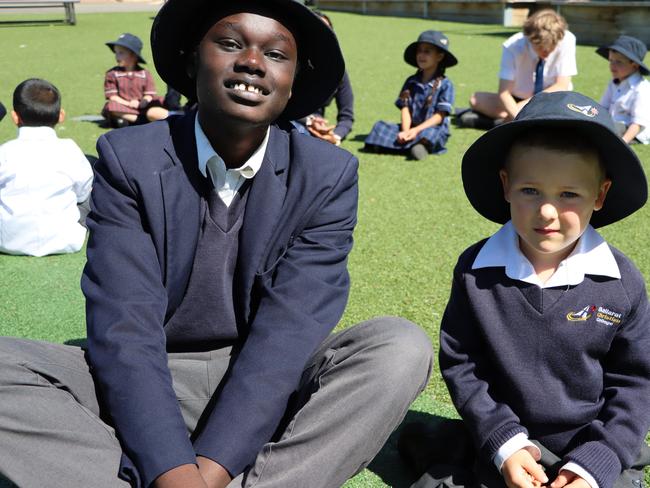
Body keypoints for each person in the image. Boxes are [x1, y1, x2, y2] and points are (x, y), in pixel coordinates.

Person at [0, 2, 433, 488]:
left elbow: (287, 334)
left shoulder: (328, 175)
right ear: (191, 62)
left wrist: (211, 466)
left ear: (292, 82)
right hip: (153, 370)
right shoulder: (129, 161)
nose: (251, 62)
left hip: (267, 381)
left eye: (275, 54)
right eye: (229, 44)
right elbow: (126, 326)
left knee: (399, 347)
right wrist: (172, 469)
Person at [400, 91, 650, 488]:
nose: (547, 212)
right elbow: (463, 364)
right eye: (530, 190)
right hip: (502, 439)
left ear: (600, 195)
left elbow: (636, 384)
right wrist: (505, 445)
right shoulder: (475, 270)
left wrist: (593, 465)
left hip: (591, 443)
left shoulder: (621, 282)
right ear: (506, 185)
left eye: (569, 194)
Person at [0, 78, 93, 257]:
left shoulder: (4, 152)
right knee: (94, 187)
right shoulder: (69, 149)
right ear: (61, 116)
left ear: (14, 117)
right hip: (66, 240)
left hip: (6, 241)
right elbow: (82, 193)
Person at [458, 10, 577, 129]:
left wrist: (525, 107)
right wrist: (518, 114)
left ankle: (498, 123)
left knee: (565, 110)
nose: (546, 51)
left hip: (552, 98)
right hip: (518, 99)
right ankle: (517, 121)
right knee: (476, 99)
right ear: (529, 38)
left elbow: (561, 85)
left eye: (552, 46)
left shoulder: (567, 40)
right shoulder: (513, 46)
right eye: (540, 47)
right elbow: (504, 93)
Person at [364, 30, 456, 160]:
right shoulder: (411, 81)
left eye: (427, 51)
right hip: (410, 127)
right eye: (419, 51)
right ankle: (411, 146)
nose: (421, 55)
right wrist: (406, 130)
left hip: (429, 129)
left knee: (432, 134)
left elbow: (439, 116)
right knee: (379, 126)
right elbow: (405, 108)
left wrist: (416, 131)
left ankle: (412, 146)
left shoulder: (446, 85)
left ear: (439, 57)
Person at [294, 11, 354, 145]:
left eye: (327, 32)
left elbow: (347, 117)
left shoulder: (339, 71)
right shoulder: (290, 65)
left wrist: (334, 136)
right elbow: (280, 107)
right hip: (290, 122)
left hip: (318, 128)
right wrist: (309, 121)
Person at [101, 33, 168, 128]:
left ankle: (128, 120)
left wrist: (143, 102)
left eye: (121, 53)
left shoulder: (144, 73)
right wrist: (129, 103)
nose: (116, 56)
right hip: (123, 106)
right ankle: (139, 120)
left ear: (133, 55)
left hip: (143, 107)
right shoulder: (112, 73)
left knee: (160, 103)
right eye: (116, 52)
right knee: (110, 106)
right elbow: (112, 97)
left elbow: (149, 94)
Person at [596, 35, 650, 145]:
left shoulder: (641, 89)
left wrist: (622, 142)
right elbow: (602, 109)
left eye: (618, 62)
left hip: (633, 134)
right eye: (611, 61)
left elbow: (638, 124)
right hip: (614, 127)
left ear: (634, 65)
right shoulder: (613, 83)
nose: (612, 66)